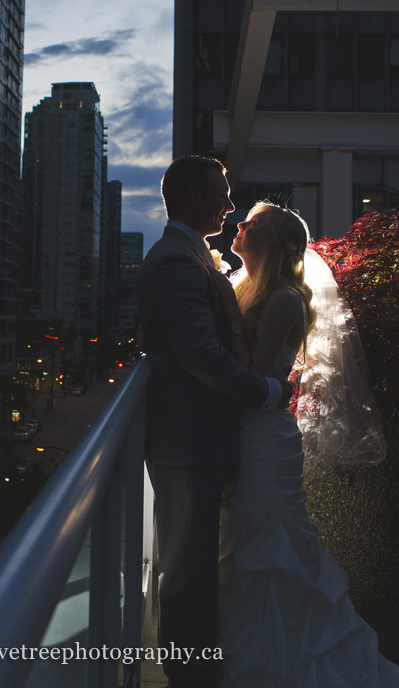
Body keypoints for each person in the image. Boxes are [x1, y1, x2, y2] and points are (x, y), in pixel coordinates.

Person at [219, 201, 398, 687]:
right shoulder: (250, 286)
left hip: (264, 439)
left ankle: (279, 657)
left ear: (273, 244)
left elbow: (251, 375)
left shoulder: (283, 299)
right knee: (250, 543)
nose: (239, 226)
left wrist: (221, 310)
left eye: (250, 224)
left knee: (268, 546)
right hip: (250, 432)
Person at [136, 156, 292, 688]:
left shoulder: (190, 255)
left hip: (203, 438)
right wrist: (268, 392)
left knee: (198, 572)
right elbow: (201, 354)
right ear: (195, 198)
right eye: (223, 194)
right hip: (189, 441)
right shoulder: (176, 261)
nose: (231, 205)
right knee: (187, 578)